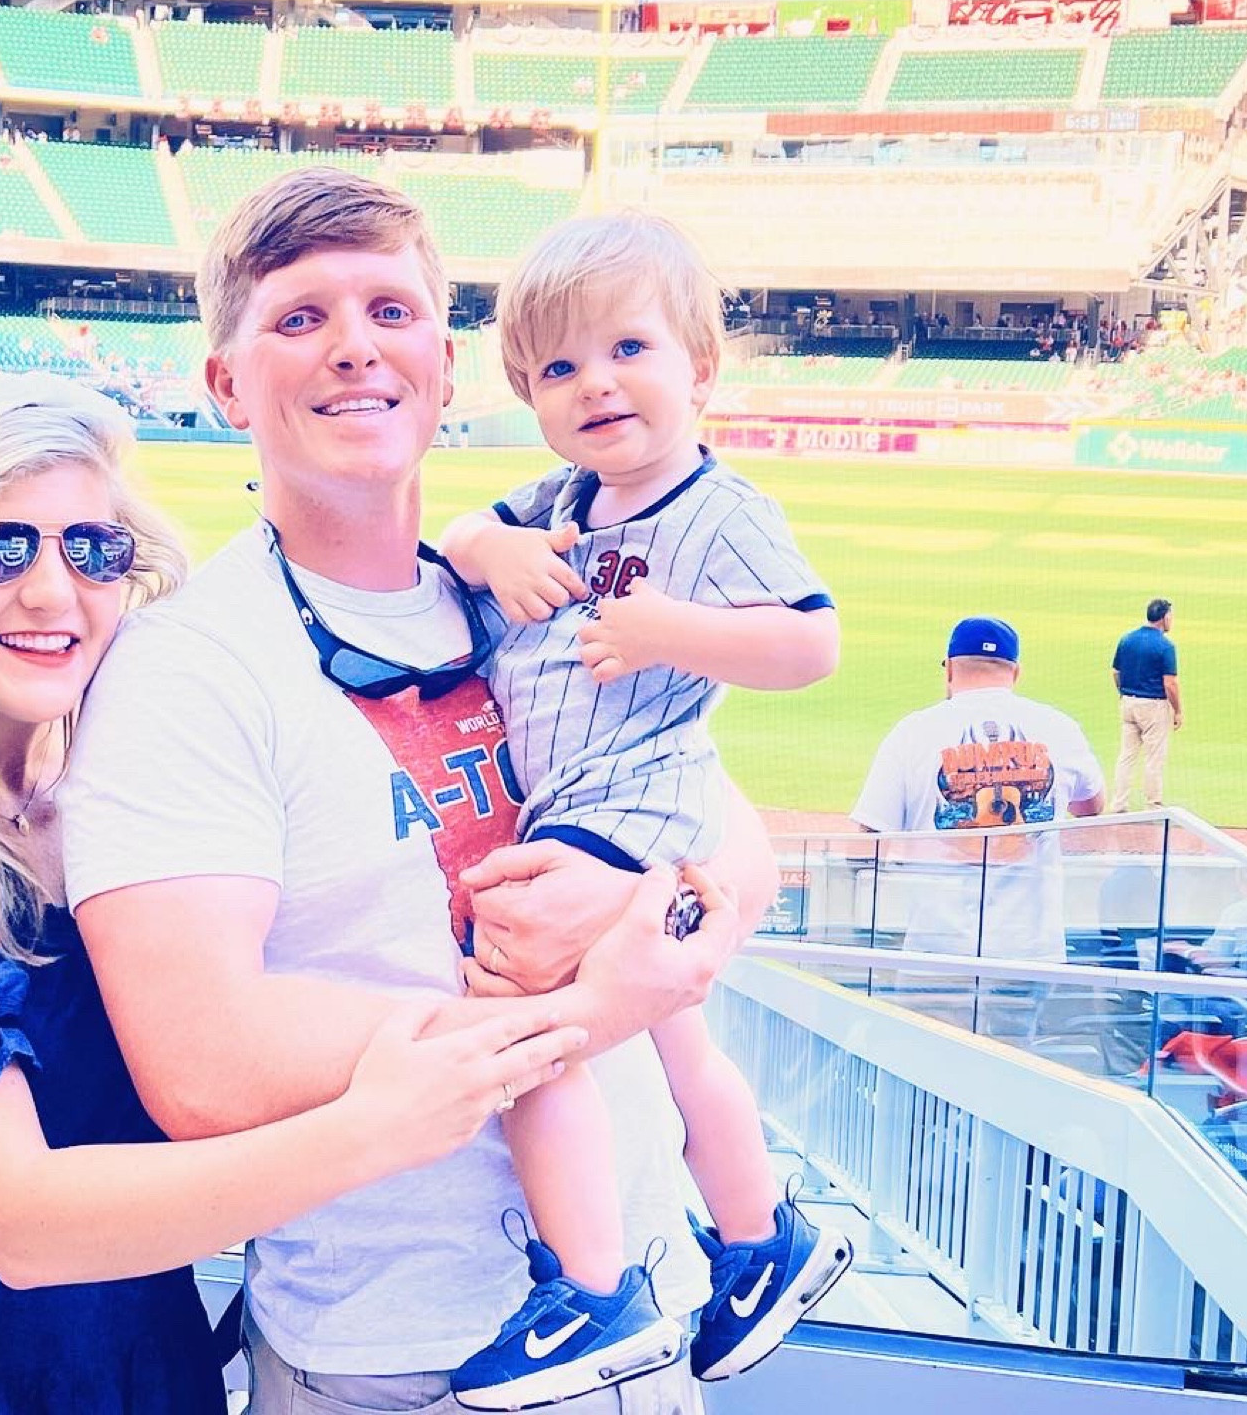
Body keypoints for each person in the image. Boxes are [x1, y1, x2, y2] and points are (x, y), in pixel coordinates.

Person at [0, 370, 588, 1414]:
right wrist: (380, 1125)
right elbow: (19, 1224)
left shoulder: (106, 811)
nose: (52, 591)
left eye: (93, 549)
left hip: (146, 1381)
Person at [59, 169, 755, 1414]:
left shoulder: (531, 594)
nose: (350, 350)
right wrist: (594, 1008)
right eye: (296, 318)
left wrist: (674, 920)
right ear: (225, 385)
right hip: (395, 1360)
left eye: (388, 311)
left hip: (639, 1313)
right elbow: (202, 1060)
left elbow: (728, 837)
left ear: (444, 363)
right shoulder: (186, 666)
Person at [434, 212, 851, 1403]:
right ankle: (762, 1237)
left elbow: (809, 642)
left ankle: (592, 1288)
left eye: (626, 350)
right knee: (680, 1039)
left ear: (700, 371)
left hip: (629, 802)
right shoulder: (565, 497)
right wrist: (482, 545)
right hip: (585, 800)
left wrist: (675, 631)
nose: (593, 384)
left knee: (520, 1019)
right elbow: (466, 535)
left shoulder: (714, 512)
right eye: (557, 369)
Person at [851, 617, 1105, 965]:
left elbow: (867, 841)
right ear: (1015, 673)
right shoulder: (1060, 728)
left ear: (950, 669)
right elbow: (1091, 807)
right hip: (1032, 950)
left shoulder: (912, 732)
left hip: (936, 949)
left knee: (923, 1022)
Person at [1109, 597, 1180, 812]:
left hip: (1128, 702)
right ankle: (1153, 804)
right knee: (1154, 757)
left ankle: (1119, 804)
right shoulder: (1165, 646)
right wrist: (1178, 710)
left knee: (1126, 756)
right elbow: (1170, 684)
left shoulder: (1127, 639)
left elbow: (1115, 672)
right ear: (1164, 617)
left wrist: (1123, 693)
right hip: (1153, 705)